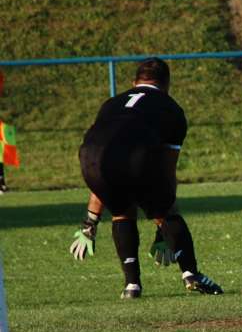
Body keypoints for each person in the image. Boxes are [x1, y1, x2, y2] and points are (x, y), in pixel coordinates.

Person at [70, 58, 223, 298]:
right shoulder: (171, 108)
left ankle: (132, 286)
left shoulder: (111, 104)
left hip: (89, 159)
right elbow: (166, 171)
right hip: (136, 158)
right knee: (167, 213)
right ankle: (191, 275)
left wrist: (90, 222)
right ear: (167, 84)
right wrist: (163, 222)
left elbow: (103, 159)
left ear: (134, 83)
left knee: (121, 210)